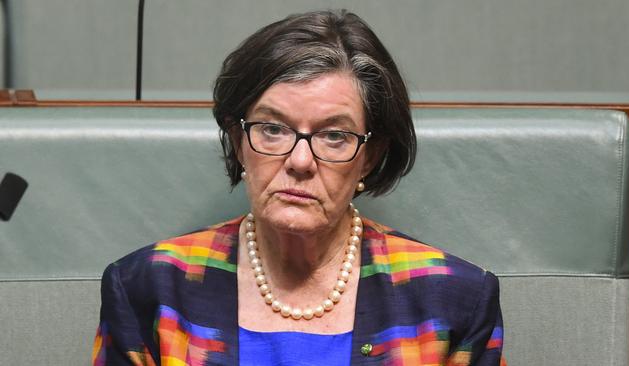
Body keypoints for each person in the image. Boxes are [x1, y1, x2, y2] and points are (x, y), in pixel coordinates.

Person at [92, 9, 505, 366]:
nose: (300, 161)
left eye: (334, 136)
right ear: (239, 142)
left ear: (371, 155)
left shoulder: (453, 299)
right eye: (272, 129)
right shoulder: (149, 288)